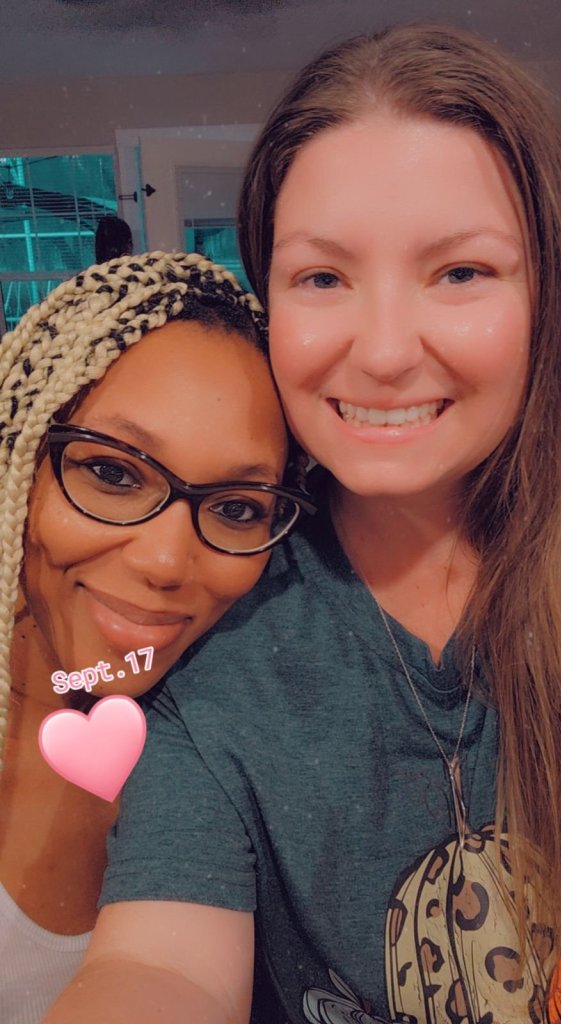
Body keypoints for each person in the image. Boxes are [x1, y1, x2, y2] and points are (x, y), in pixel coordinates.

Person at [45, 22, 561, 1024]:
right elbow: (161, 967)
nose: (383, 352)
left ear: (549, 297)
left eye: (461, 272)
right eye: (323, 277)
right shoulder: (224, 624)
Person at [0, 249, 313, 1023]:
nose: (167, 562)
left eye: (237, 508)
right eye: (112, 473)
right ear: (19, 458)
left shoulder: (240, 745)